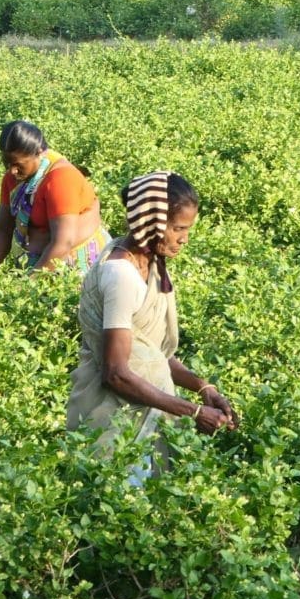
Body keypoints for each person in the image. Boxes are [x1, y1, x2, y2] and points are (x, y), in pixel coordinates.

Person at [66, 171, 238, 470]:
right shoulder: (120, 275)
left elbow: (151, 354)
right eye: (177, 229)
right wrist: (193, 412)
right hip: (112, 421)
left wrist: (204, 388)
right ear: (153, 222)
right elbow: (116, 373)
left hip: (144, 414)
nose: (184, 239)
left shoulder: (151, 265)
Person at [0, 121, 110, 291]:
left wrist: (27, 285)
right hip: (37, 262)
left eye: (19, 165)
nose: (12, 171)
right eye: (7, 163)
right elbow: (3, 227)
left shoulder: (61, 180)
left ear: (40, 153)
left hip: (72, 264)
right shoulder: (13, 177)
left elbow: (62, 243)